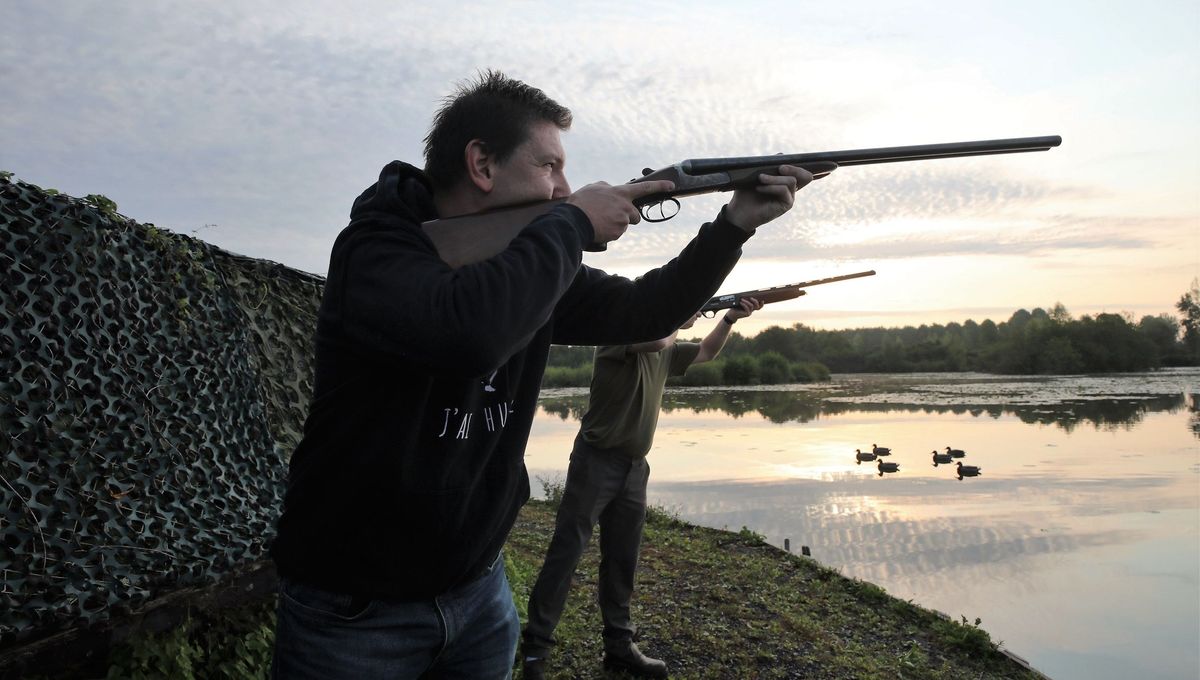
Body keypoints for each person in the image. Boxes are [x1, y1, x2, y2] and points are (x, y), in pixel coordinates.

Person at [269, 70, 817, 679]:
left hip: (477, 590)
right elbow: (472, 334)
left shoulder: (528, 263)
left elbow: (644, 311)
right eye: (549, 166)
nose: (564, 188)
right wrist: (574, 225)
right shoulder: (376, 255)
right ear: (482, 163)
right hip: (353, 611)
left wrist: (733, 225)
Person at [521, 298, 761, 679]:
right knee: (566, 553)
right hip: (595, 462)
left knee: (623, 559)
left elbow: (707, 352)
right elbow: (657, 340)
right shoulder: (618, 339)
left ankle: (619, 645)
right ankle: (536, 649)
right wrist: (679, 314)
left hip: (635, 467)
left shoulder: (665, 351)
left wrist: (729, 318)